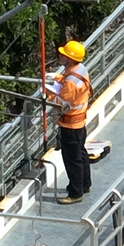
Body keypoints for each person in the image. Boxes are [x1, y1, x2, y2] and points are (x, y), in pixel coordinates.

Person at [46, 41, 93, 204]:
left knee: (72, 159)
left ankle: (75, 193)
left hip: (70, 126)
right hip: (79, 124)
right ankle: (84, 184)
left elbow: (61, 103)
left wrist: (48, 90)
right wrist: (57, 79)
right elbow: (68, 82)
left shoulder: (72, 81)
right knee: (80, 154)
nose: (60, 56)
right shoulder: (79, 70)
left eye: (64, 54)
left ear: (70, 59)